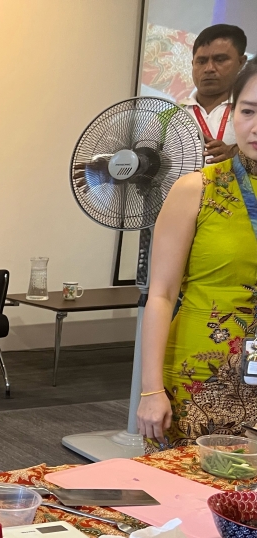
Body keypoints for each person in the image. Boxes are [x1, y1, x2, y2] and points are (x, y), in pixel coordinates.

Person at [137, 59, 257, 449]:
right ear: (234, 113)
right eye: (248, 112)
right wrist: (150, 390)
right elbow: (161, 294)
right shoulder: (197, 189)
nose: (255, 126)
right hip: (199, 377)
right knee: (185, 481)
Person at [179, 24, 249, 165]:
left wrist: (238, 155)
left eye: (220, 59)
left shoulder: (251, 112)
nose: (209, 68)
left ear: (241, 62)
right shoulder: (169, 116)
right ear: (193, 64)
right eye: (201, 61)